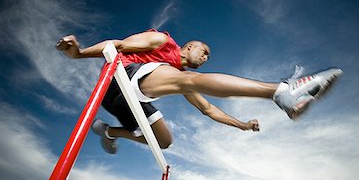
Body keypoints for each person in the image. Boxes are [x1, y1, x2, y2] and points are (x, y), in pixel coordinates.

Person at [56, 28, 342, 154]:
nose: (206, 57)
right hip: (119, 81)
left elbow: (208, 109)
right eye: (204, 52)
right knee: (190, 80)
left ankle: (109, 132)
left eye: (208, 56)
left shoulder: (179, 77)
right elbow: (116, 45)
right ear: (189, 47)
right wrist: (79, 54)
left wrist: (242, 125)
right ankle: (281, 91)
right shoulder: (162, 42)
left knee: (164, 142)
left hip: (130, 102)